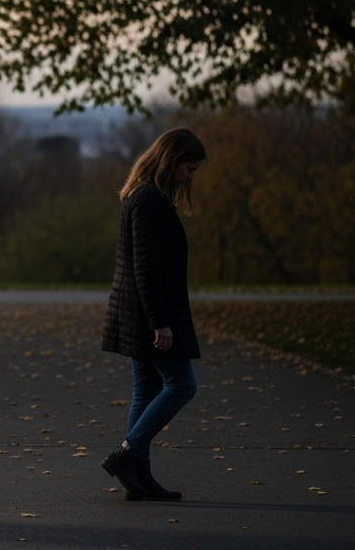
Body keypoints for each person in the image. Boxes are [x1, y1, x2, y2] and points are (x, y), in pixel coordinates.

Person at [100, 127, 206, 502]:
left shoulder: (146, 195)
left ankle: (137, 477)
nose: (190, 177)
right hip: (149, 314)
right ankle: (128, 456)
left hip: (138, 311)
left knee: (145, 390)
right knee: (182, 385)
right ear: (171, 159)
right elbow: (145, 268)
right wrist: (161, 322)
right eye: (188, 169)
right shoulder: (148, 199)